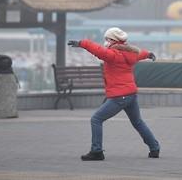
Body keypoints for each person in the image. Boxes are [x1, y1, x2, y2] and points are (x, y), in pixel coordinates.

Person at [68, 27, 160, 161]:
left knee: (96, 119)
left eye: (107, 39)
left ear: (112, 40)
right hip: (130, 94)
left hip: (119, 96)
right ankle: (154, 148)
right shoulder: (131, 52)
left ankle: (97, 151)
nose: (105, 41)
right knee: (138, 122)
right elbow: (140, 54)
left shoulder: (113, 54)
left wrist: (82, 43)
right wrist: (149, 54)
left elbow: (99, 51)